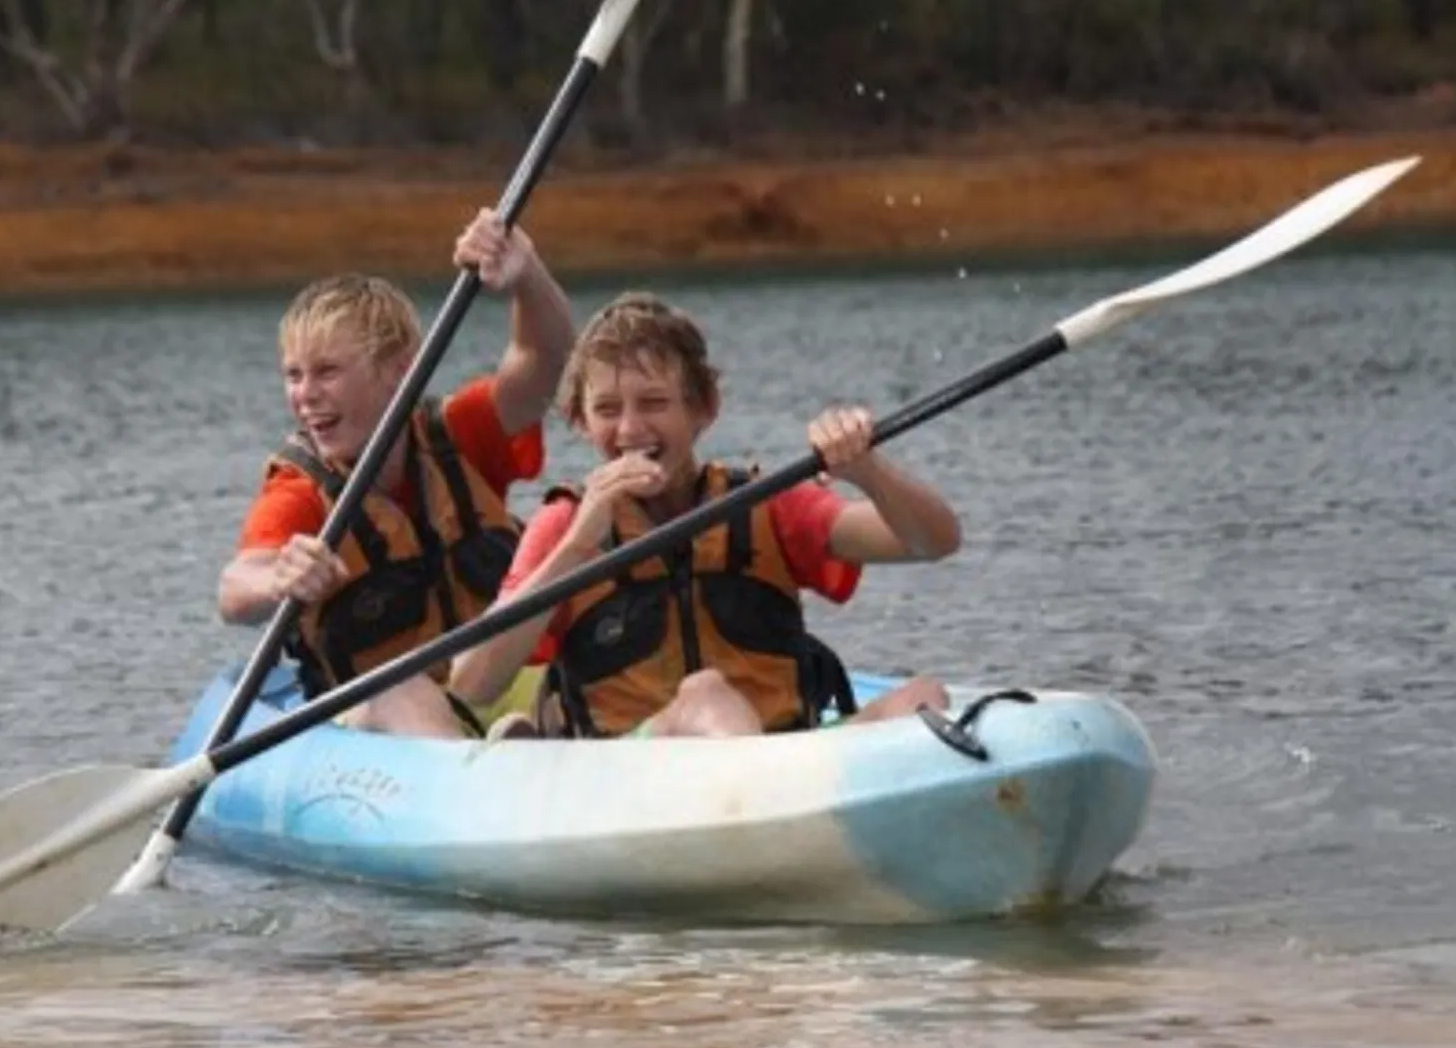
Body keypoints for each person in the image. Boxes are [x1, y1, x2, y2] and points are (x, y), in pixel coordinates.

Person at [449, 291, 961, 740]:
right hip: (630, 770)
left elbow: (933, 541)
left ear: (704, 409)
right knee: (707, 696)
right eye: (607, 409)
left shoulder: (765, 504)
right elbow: (472, 683)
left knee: (923, 696)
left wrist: (868, 471)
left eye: (653, 403)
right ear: (581, 422)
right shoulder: (566, 526)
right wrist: (577, 548)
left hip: (784, 760)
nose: (630, 429)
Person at [218, 209, 575, 737]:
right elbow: (234, 589)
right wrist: (278, 578)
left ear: (399, 370)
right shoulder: (302, 490)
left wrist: (528, 275)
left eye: (328, 371)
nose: (305, 394)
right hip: (383, 725)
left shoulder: (460, 434)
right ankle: (484, 773)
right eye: (294, 375)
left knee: (592, 666)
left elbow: (545, 358)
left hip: (497, 689)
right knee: (398, 686)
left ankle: (534, 746)